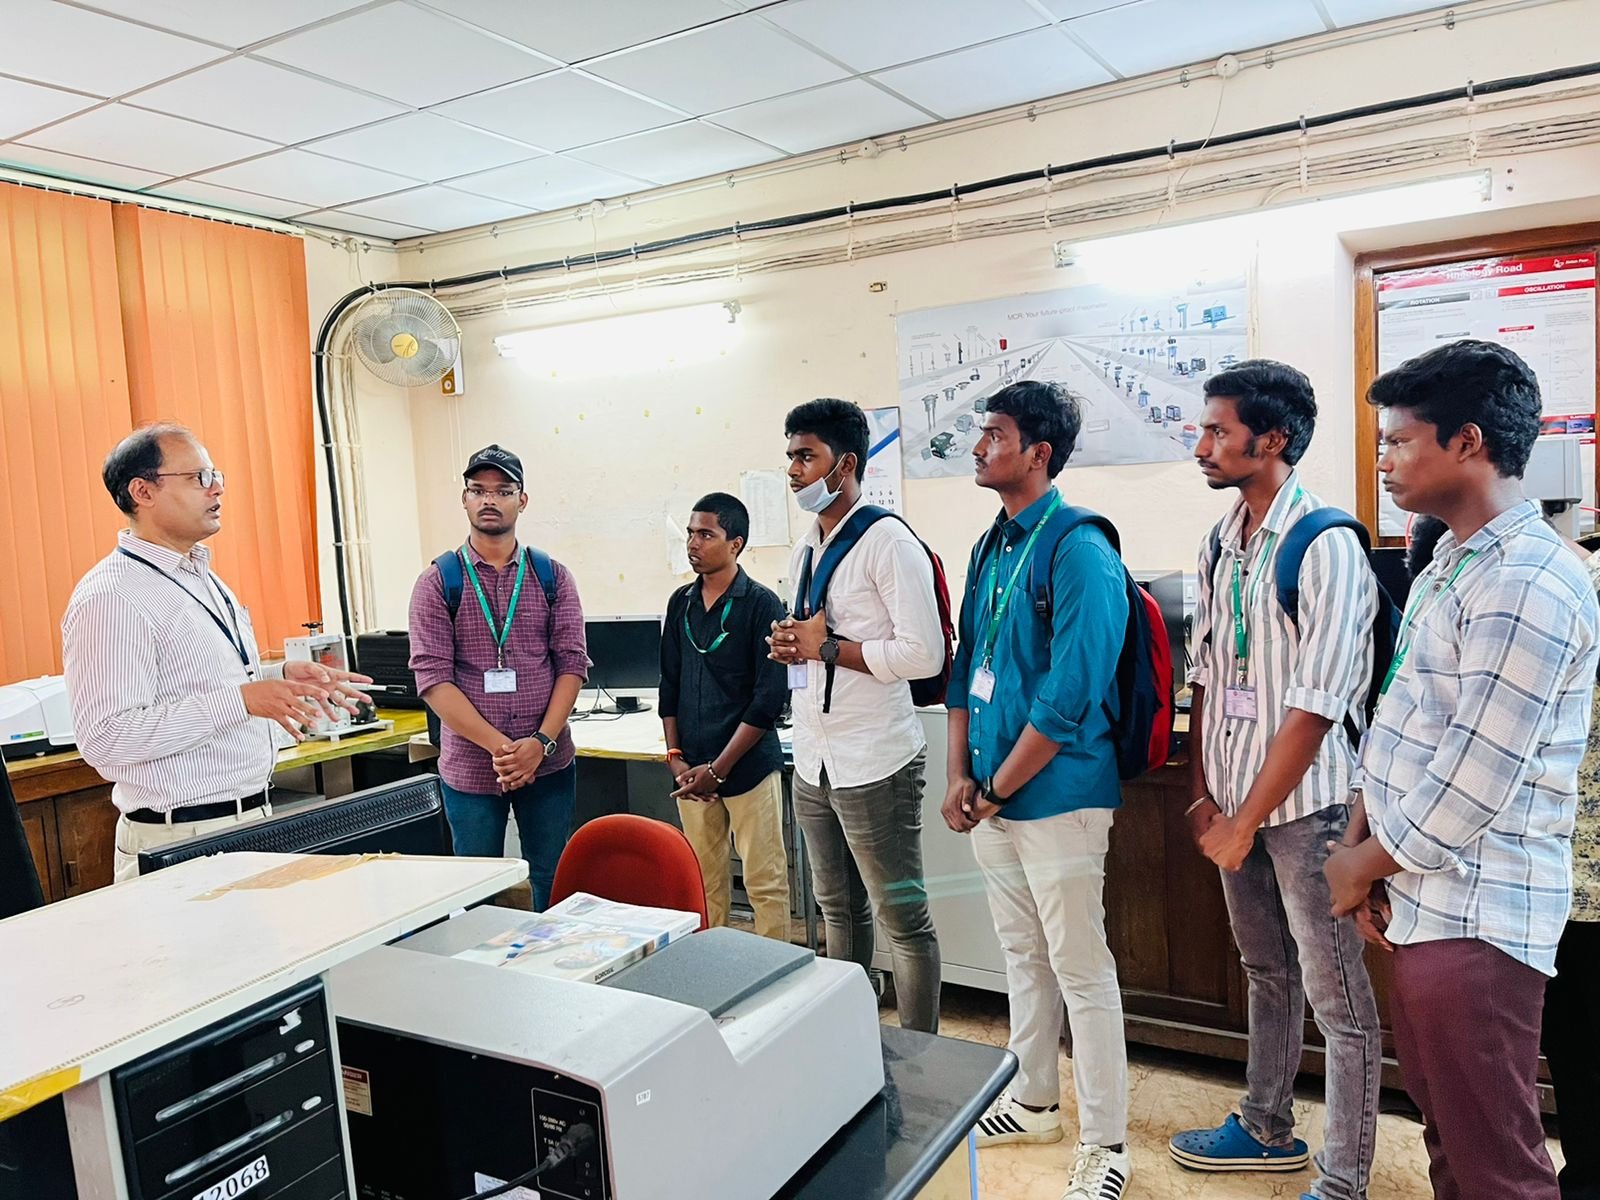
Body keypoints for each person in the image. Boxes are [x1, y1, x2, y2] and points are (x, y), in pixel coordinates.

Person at [1324, 339, 1599, 1200]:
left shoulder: (1529, 581)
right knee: (1450, 1136)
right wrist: (1365, 845)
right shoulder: (1451, 562)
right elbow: (1399, 719)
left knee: (1496, 1167)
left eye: (1398, 441)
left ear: (1468, 442)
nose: (1384, 461)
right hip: (1422, 897)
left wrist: (1358, 864)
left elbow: (1475, 777)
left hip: (1480, 912)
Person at [1170, 362, 1382, 1200]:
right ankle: (1265, 1126)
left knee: (1340, 1003)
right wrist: (1202, 795)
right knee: (1266, 970)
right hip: (1231, 802)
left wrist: (1244, 820)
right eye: (1204, 429)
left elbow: (1318, 705)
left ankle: (1344, 1180)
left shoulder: (1327, 544)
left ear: (1273, 439)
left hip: (1308, 809)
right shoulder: (1219, 541)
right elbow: (1205, 676)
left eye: (1218, 430)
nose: (1202, 445)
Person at [942, 381, 1133, 1200]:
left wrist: (992, 788)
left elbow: (1069, 695)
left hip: (1058, 797)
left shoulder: (1081, 547)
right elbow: (966, 666)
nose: (978, 446)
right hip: (991, 788)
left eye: (994, 433)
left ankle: (1107, 1144)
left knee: (1080, 967)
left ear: (1039, 453)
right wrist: (959, 774)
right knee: (1022, 955)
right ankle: (1034, 1101)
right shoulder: (991, 545)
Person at [63, 424, 369, 882]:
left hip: (251, 820)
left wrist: (277, 677)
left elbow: (198, 682)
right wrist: (242, 700)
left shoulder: (200, 575)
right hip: (180, 839)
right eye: (198, 478)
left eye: (215, 475)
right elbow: (106, 737)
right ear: (143, 492)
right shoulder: (113, 596)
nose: (218, 488)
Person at [768, 398, 944, 1032]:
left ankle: (923, 1058)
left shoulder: (887, 541)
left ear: (844, 465)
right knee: (837, 910)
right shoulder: (807, 548)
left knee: (903, 921)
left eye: (806, 456)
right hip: (814, 758)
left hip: (875, 758)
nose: (793, 470)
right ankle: (850, 1044)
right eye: (790, 456)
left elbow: (924, 654)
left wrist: (827, 649)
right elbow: (815, 638)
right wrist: (791, 645)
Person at [408, 445, 589, 909]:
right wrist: (504, 751)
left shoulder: (552, 577)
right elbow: (432, 679)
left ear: (522, 500)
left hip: (547, 762)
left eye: (503, 491)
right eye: (478, 490)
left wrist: (540, 744)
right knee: (477, 890)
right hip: (471, 767)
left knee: (553, 878)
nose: (489, 499)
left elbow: (572, 665)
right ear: (464, 499)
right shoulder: (438, 582)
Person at [660, 493, 792, 940]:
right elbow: (669, 683)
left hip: (747, 767)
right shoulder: (680, 602)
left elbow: (768, 698)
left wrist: (719, 769)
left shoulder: (761, 604)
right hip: (691, 771)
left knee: (764, 883)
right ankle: (713, 966)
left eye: (706, 534)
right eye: (690, 534)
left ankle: (776, 972)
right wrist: (675, 756)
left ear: (735, 544)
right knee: (703, 883)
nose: (693, 544)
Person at [1546, 539, 1600, 1200]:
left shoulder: (1577, 578)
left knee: (1581, 1056)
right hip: (1571, 871)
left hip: (1580, 874)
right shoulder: (1576, 573)